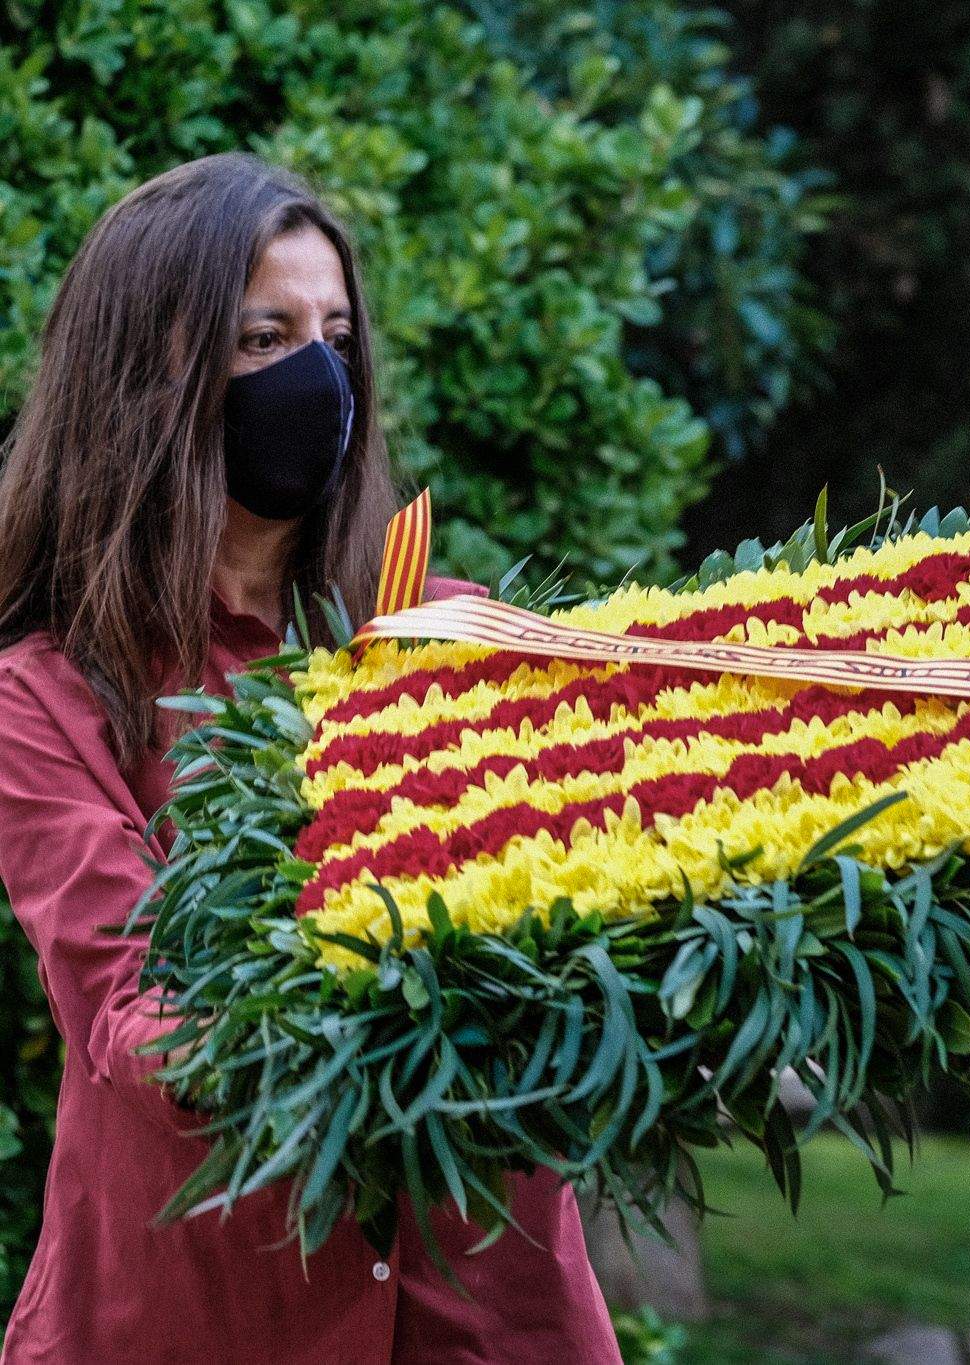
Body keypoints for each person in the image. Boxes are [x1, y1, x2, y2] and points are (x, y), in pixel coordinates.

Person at [0, 155, 618, 1363]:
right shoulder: (50, 694)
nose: (318, 377)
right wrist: (364, 997)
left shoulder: (453, 637)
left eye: (336, 337)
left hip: (485, 1315)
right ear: (148, 374)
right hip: (205, 1316)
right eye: (264, 338)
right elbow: (129, 1012)